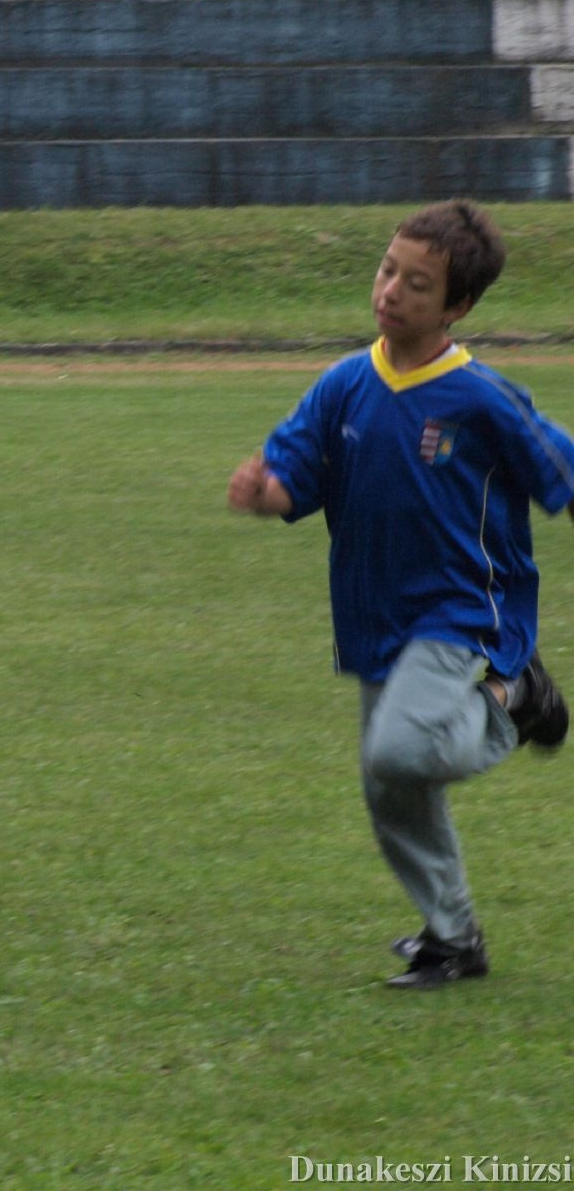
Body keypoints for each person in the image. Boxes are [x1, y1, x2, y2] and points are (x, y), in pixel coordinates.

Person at [227, 200, 574, 990]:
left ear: (457, 307)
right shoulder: (346, 383)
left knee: (398, 750)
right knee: (389, 786)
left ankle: (515, 701)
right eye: (389, 271)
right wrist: (266, 491)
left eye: (418, 285)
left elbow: (563, 470)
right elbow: (296, 479)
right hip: (376, 614)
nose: (392, 291)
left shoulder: (483, 399)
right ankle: (454, 939)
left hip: (462, 613)